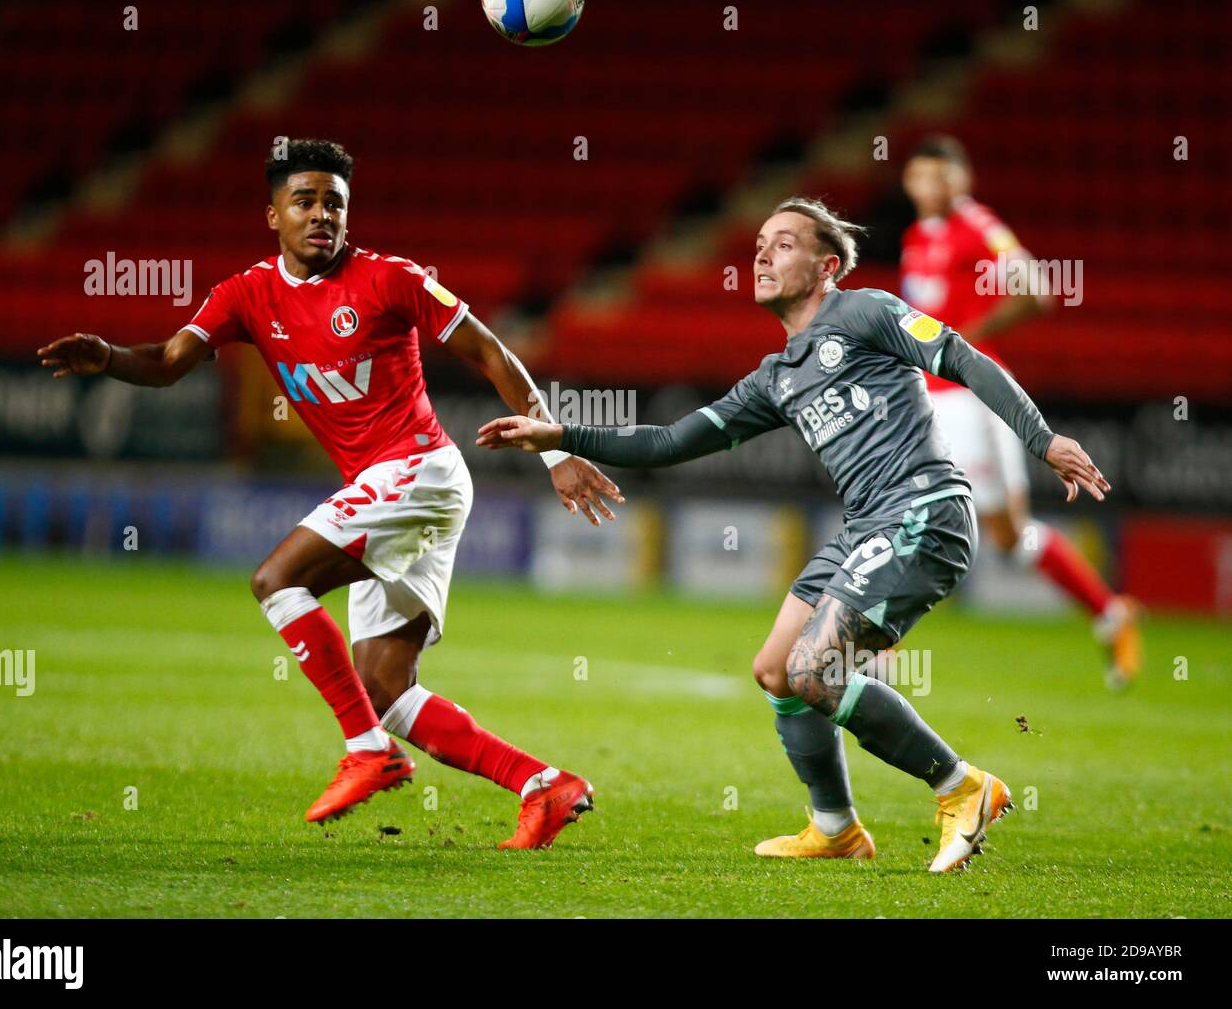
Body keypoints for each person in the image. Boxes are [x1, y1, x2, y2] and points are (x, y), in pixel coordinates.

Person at [478, 197, 1112, 872]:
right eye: (758, 243)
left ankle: (962, 787)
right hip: (867, 526)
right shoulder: (775, 378)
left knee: (816, 670)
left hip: (924, 510)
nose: (761, 254)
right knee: (779, 671)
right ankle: (835, 827)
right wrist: (561, 436)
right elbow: (668, 441)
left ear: (826, 265)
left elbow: (963, 357)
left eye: (782, 243)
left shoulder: (866, 311)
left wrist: (1041, 439)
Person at [38, 139, 623, 849]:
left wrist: (556, 451)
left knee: (276, 578)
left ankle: (368, 753)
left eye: (334, 204)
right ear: (273, 214)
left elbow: (491, 352)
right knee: (383, 689)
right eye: (305, 202)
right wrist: (108, 359)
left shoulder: (390, 278)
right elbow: (166, 364)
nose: (322, 215)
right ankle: (545, 786)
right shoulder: (246, 294)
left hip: (419, 470)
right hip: (387, 487)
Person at [901, 135, 1141, 688]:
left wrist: (971, 339)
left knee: (939, 515)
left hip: (971, 398)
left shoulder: (978, 226)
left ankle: (873, 645)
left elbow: (1036, 288)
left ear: (962, 180)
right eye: (919, 176)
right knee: (1001, 534)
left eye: (941, 176)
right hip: (933, 396)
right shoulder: (918, 236)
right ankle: (1109, 611)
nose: (930, 187)